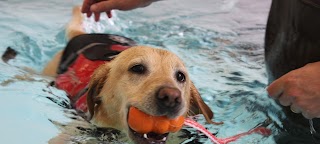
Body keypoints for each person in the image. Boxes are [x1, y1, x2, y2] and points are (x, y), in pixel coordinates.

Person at [81, 0, 320, 130]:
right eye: (138, 69)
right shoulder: (91, 109)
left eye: (180, 78)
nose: (170, 94)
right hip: (289, 107)